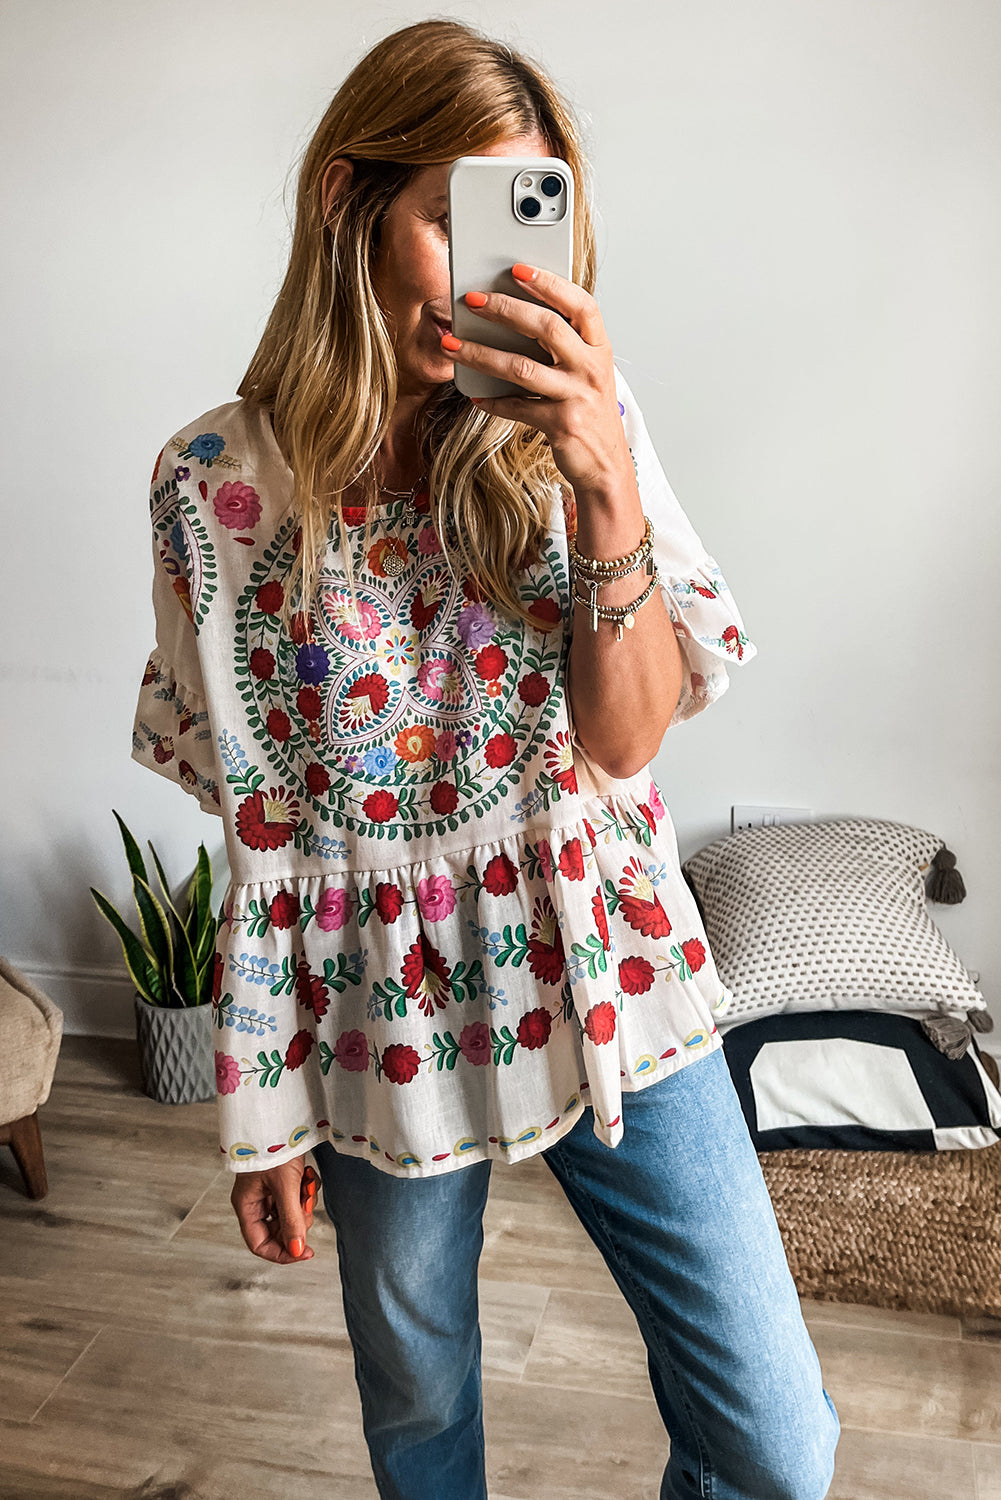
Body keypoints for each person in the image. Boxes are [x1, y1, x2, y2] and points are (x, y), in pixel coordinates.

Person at [130, 18, 840, 1500]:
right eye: (453, 218)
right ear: (348, 200)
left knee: (778, 1445)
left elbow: (623, 743)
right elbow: (262, 834)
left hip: (606, 954)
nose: (497, 273)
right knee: (419, 1415)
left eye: (528, 221)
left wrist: (602, 486)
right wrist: (262, 1110)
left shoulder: (580, 423)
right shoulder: (213, 488)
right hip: (374, 1008)